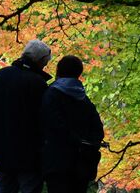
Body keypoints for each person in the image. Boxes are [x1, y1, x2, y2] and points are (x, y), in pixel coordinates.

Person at [0, 39, 52, 193]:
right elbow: (45, 119)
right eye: (45, 62)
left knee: (5, 187)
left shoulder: (3, 74)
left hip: (2, 147)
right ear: (40, 60)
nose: (45, 66)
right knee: (30, 187)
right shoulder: (38, 83)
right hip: (29, 151)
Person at [40, 55, 104, 193]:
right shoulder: (83, 98)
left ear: (58, 71)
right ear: (78, 73)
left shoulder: (51, 94)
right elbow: (98, 128)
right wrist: (88, 144)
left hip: (57, 162)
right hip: (82, 163)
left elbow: (52, 124)